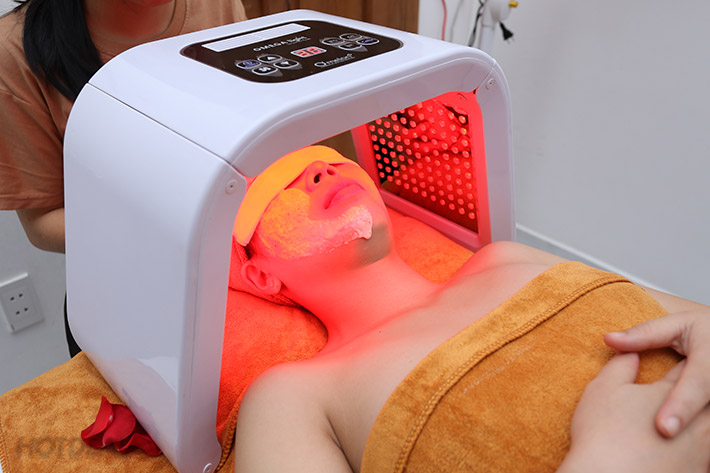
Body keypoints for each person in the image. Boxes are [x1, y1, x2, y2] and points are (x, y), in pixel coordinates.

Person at [230, 146, 710, 473]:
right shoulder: (294, 394)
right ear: (260, 276)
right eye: (277, 188)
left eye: (333, 159)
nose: (323, 169)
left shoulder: (507, 257)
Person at [0, 0, 247, 356]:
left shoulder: (216, 6)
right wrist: (182, 224)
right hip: (126, 302)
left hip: (238, 275)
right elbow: (43, 222)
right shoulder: (14, 53)